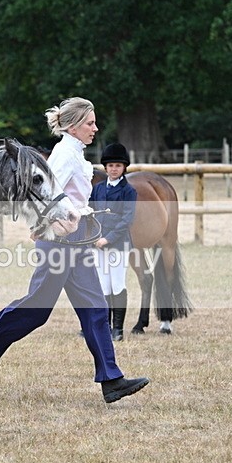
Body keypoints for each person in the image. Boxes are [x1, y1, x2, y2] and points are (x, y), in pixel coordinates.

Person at [0, 97, 149, 403]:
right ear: (74, 126)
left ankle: (111, 380)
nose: (95, 128)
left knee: (96, 308)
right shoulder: (64, 154)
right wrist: (46, 226)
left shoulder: (74, 153)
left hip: (78, 241)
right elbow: (47, 195)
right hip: (59, 243)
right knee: (36, 309)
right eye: (90, 123)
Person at [90, 143, 137, 342]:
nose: (113, 169)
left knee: (117, 284)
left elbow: (127, 219)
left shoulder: (129, 191)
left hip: (117, 244)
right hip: (97, 244)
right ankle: (105, 326)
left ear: (124, 167)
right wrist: (93, 236)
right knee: (102, 285)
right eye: (110, 166)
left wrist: (108, 238)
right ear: (105, 167)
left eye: (118, 165)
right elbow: (90, 212)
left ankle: (118, 329)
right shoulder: (98, 189)